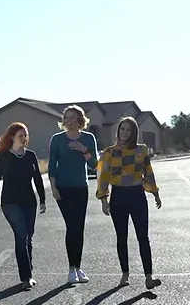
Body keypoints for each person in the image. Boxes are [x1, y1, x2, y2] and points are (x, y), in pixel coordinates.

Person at [95, 116, 163, 289]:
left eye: (128, 130)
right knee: (121, 237)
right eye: (122, 129)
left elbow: (148, 171)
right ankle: (125, 273)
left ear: (134, 133)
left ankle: (149, 276)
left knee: (143, 237)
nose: (125, 132)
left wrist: (155, 192)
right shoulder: (109, 152)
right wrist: (104, 199)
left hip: (137, 196)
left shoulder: (141, 150)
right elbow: (103, 176)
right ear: (118, 131)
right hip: (118, 197)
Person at [0, 122, 47, 290]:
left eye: (25, 135)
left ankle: (29, 271)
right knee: (21, 235)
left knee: (28, 236)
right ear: (12, 137)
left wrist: (42, 199)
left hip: (29, 202)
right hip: (10, 202)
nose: (24, 138)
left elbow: (37, 178)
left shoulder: (30, 156)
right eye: (21, 135)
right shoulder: (3, 157)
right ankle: (26, 277)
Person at [48, 105, 99, 285]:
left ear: (80, 120)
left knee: (80, 228)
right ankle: (71, 269)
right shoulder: (57, 139)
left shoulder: (88, 138)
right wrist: (53, 188)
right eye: (66, 118)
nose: (68, 121)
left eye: (72, 117)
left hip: (81, 188)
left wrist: (83, 150)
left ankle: (78, 267)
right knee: (72, 226)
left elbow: (94, 165)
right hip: (63, 188)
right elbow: (52, 166)